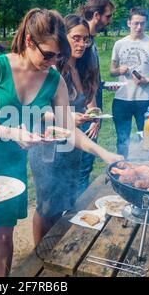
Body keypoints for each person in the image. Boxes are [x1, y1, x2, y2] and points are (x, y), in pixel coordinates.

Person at [0, 8, 123, 277]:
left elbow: (68, 130)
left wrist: (104, 153)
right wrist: (13, 133)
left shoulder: (54, 80)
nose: (53, 63)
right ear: (29, 41)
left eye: (58, 57)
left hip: (10, 164)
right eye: (48, 55)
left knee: (5, 239)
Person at [29, 14, 122, 245]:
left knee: (65, 202)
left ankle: (55, 245)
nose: (81, 44)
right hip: (48, 148)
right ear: (63, 38)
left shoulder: (83, 66)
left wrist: (91, 114)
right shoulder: (50, 70)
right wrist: (67, 117)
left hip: (73, 145)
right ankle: (39, 253)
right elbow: (36, 110)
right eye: (76, 38)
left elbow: (87, 100)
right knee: (47, 206)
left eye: (86, 39)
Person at [110, 7, 149, 158]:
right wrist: (119, 70)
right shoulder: (119, 44)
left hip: (144, 100)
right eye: (135, 23)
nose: (139, 27)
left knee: (148, 137)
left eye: (142, 23)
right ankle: (121, 166)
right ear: (129, 23)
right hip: (122, 99)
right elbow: (111, 71)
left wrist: (148, 80)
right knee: (122, 139)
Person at [76, 0, 117, 193]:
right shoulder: (83, 44)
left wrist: (102, 84)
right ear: (97, 15)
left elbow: (90, 78)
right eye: (108, 16)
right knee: (82, 167)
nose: (110, 20)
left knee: (85, 165)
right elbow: (82, 81)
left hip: (90, 112)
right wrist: (94, 116)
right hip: (82, 114)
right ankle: (76, 213)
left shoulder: (90, 41)